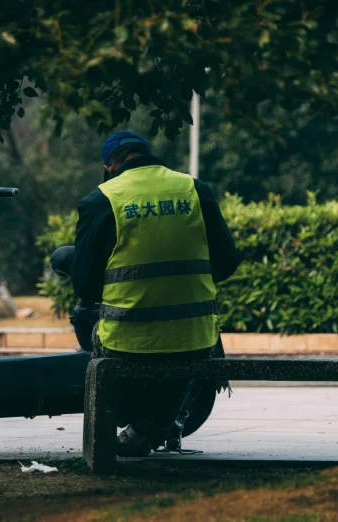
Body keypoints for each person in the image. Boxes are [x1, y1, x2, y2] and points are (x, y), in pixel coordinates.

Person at [71, 130, 240, 457]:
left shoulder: (100, 200)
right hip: (194, 338)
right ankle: (146, 430)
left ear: (110, 166)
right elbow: (226, 262)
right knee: (181, 362)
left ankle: (132, 423)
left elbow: (85, 287)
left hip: (126, 340)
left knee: (89, 326)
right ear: (148, 155)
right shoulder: (195, 190)